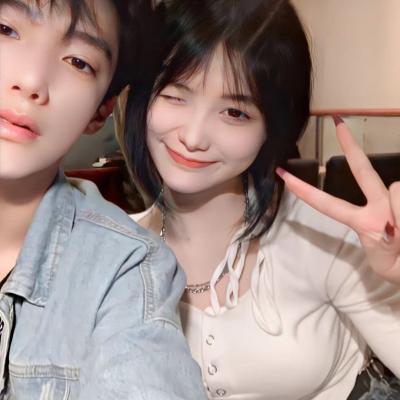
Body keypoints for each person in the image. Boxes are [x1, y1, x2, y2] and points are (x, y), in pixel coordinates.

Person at [123, 0, 400, 398]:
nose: (194, 137)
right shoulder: (114, 252)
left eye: (235, 112)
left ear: (272, 128)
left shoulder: (323, 239)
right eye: (175, 96)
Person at [0, 0, 206, 398]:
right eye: (6, 30)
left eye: (78, 62)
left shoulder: (125, 271)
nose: (31, 81)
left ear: (100, 111)